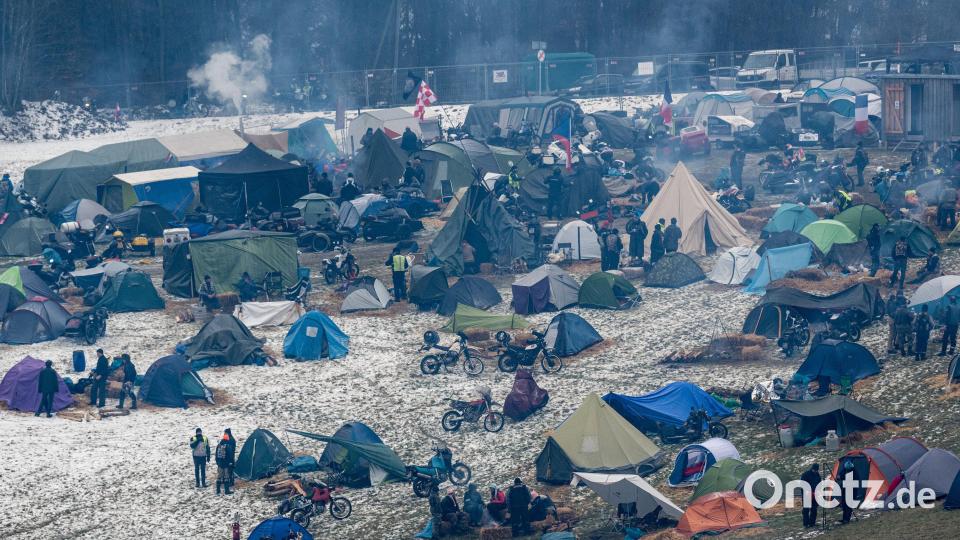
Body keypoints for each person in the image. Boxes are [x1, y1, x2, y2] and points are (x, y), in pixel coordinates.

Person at [838, 459, 861, 524]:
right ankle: (844, 518)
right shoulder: (845, 469)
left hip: (852, 491)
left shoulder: (854, 473)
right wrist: (839, 477)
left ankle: (847, 519)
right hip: (845, 490)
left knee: (848, 506)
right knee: (844, 505)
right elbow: (841, 475)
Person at [215, 429, 236, 495]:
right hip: (226, 464)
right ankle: (227, 491)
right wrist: (231, 463)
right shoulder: (228, 446)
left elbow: (216, 455)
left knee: (219, 477)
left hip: (220, 464)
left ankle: (218, 491)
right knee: (226, 477)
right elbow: (230, 456)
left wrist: (218, 462)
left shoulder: (219, 445)